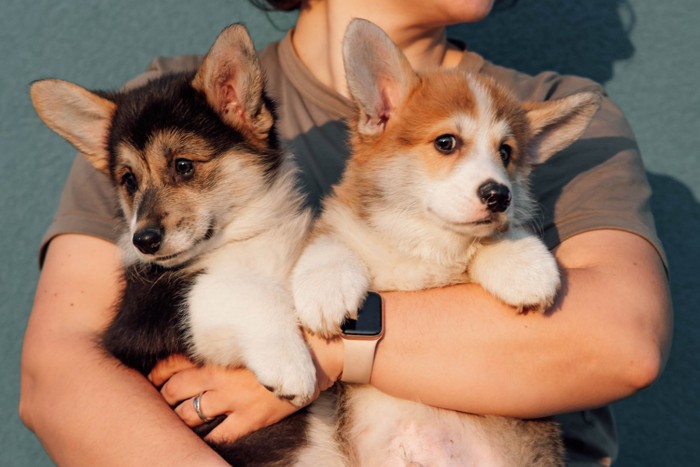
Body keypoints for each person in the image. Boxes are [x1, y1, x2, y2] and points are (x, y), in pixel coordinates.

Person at [19, 0, 671, 465]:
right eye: (445, 143)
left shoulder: (535, 113)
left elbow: (621, 343)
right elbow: (60, 377)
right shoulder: (164, 111)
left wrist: (333, 348)